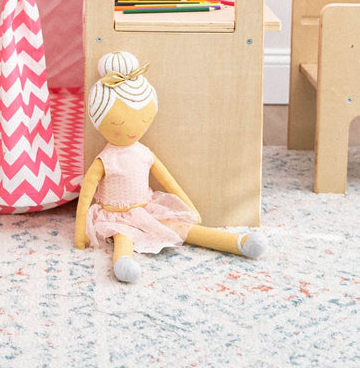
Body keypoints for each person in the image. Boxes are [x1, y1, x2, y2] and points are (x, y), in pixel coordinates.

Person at [74, 50, 268, 283]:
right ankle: (122, 262)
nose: (136, 127)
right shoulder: (104, 160)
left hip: (146, 209)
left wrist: (190, 207)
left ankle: (238, 242)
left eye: (145, 120)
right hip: (115, 217)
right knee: (123, 237)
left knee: (180, 227)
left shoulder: (144, 153)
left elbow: (169, 182)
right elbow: (85, 198)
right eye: (117, 123)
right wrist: (80, 234)